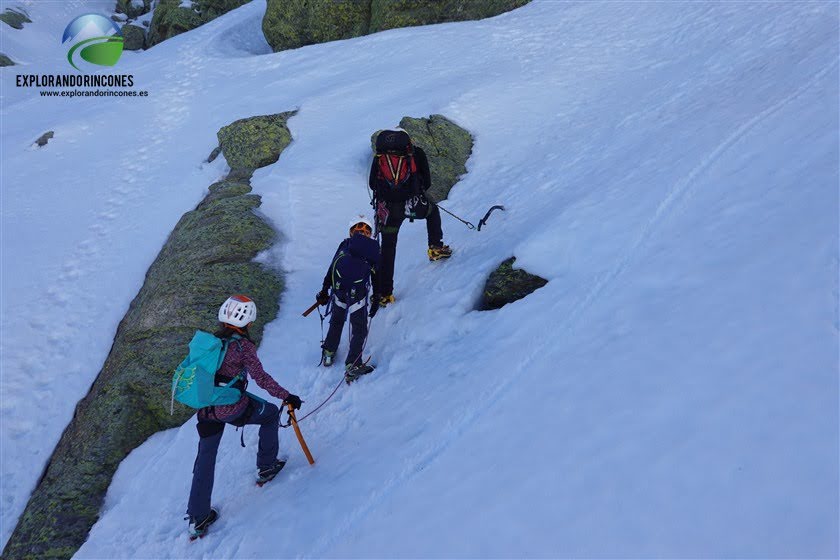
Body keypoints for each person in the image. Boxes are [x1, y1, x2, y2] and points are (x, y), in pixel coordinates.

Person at [186, 294, 302, 539]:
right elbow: (261, 379)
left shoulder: (210, 342)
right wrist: (287, 396)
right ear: (247, 321)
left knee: (205, 458)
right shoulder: (243, 347)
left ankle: (198, 518)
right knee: (270, 414)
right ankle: (266, 467)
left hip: (206, 410)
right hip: (231, 408)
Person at [369, 129, 452, 308]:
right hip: (411, 205)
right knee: (432, 212)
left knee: (388, 248)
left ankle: (385, 294)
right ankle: (435, 248)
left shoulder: (380, 156)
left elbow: (371, 183)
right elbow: (427, 181)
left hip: (388, 211)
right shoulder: (415, 153)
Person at [316, 215, 380, 380]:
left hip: (339, 291)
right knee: (359, 328)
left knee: (337, 321)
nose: (363, 233)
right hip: (358, 293)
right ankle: (353, 364)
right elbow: (376, 274)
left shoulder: (344, 244)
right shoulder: (372, 248)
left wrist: (324, 289)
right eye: (362, 230)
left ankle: (329, 353)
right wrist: (377, 296)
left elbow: (332, 267)